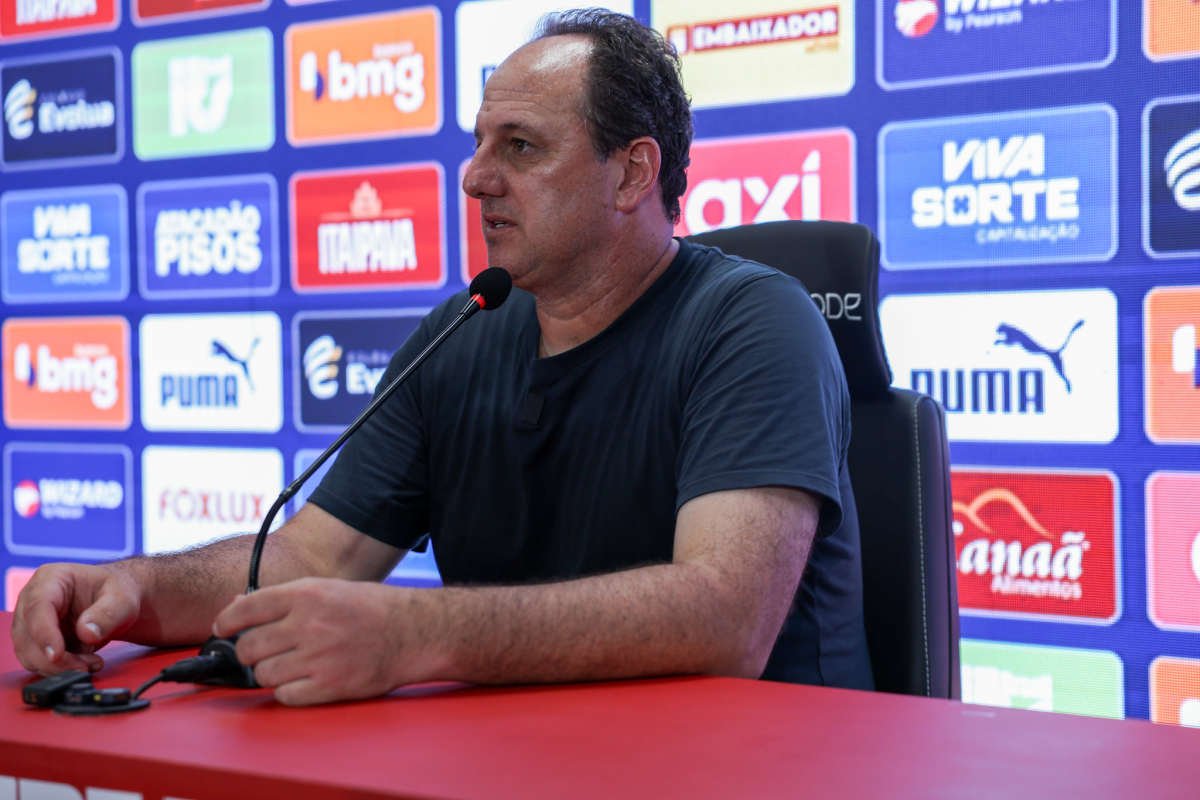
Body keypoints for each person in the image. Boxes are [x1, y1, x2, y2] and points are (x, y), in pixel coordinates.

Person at [11, 9, 872, 706]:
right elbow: (314, 560)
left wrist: (415, 634)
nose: (475, 177)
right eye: (479, 142)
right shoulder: (464, 330)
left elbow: (725, 619)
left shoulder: (753, 322)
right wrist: (129, 589)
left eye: (520, 147)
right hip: (532, 760)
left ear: (631, 174)